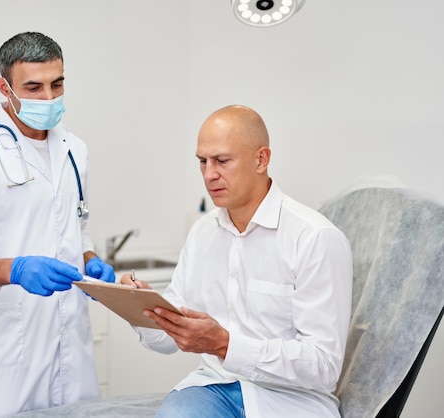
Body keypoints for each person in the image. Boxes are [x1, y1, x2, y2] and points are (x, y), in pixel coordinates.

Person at [0, 32, 115, 418]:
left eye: (57, 84)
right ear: (4, 87)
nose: (48, 98)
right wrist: (14, 269)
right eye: (33, 87)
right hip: (2, 353)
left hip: (69, 347)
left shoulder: (74, 149)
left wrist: (91, 259)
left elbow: (75, 225)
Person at [122, 105, 353, 418]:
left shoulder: (314, 238)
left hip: (292, 402)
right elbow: (166, 341)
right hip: (214, 389)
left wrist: (225, 345)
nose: (209, 174)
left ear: (261, 159)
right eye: (202, 161)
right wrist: (140, 307)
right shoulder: (202, 233)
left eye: (222, 160)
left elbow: (323, 365)